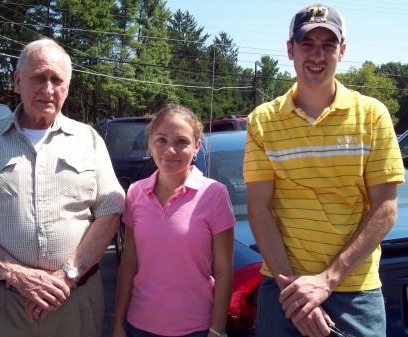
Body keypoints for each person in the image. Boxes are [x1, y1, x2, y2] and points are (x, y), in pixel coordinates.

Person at [243, 4, 405, 337]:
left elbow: (386, 209)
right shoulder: (262, 120)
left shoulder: (372, 115)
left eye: (328, 44)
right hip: (283, 287)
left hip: (354, 290)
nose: (317, 54)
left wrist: (325, 281)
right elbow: (259, 209)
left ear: (342, 51)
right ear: (290, 49)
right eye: (307, 43)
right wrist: (296, 294)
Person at [0, 39, 125, 337]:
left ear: (68, 87)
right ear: (17, 81)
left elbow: (110, 211)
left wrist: (67, 276)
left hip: (75, 300)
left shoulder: (88, 140)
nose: (48, 89)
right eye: (38, 78)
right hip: (6, 302)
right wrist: (16, 274)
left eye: (57, 79)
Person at [112, 104, 234, 337]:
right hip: (140, 326)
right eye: (161, 140)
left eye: (181, 142)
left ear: (197, 147)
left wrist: (217, 330)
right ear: (150, 143)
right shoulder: (136, 193)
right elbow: (128, 264)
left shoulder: (214, 194)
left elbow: (224, 270)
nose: (170, 150)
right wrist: (118, 322)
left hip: (196, 328)